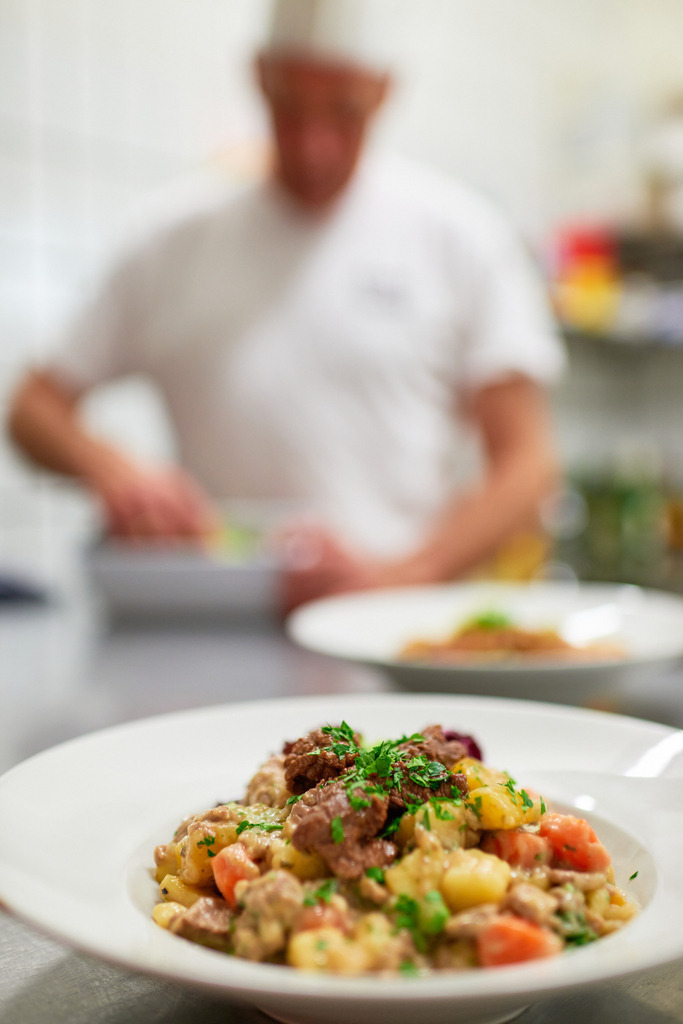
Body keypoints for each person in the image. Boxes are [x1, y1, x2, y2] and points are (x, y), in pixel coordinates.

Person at [7, 0, 565, 610]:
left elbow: (528, 468)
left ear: (383, 93)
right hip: (213, 622)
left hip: (394, 624)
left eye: (343, 113)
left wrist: (402, 576)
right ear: (258, 77)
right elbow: (33, 408)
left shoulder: (462, 238)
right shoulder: (170, 241)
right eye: (289, 108)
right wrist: (114, 469)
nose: (313, 146)